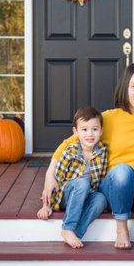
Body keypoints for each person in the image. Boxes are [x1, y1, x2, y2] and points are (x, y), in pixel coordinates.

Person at [41, 63, 134, 250]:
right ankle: (121, 229)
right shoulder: (109, 118)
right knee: (122, 169)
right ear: (124, 88)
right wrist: (50, 175)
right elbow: (68, 143)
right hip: (115, 190)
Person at [37, 106, 107, 249]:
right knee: (81, 184)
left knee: (101, 199)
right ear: (75, 132)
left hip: (86, 195)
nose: (90, 134)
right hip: (66, 196)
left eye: (94, 129)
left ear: (101, 131)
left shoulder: (103, 151)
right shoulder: (69, 152)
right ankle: (68, 227)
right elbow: (55, 180)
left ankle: (77, 232)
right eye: (84, 129)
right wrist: (45, 206)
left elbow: (100, 180)